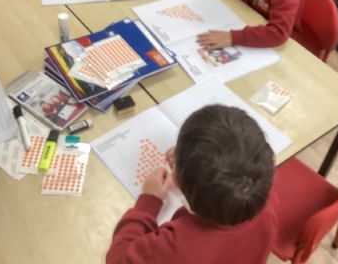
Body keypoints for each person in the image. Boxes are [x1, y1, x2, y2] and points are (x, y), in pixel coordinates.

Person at [106, 104, 277, 264]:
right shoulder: (263, 203)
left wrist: (148, 201)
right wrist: (187, 163)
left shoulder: (174, 245)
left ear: (177, 179)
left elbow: (117, 258)